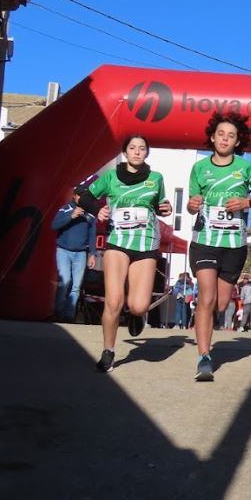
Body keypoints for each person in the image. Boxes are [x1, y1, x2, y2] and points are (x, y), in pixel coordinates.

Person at [187, 111, 251, 381]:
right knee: (207, 297)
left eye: (230, 136)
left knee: (221, 304)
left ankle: (206, 328)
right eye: (220, 134)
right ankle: (204, 357)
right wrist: (192, 204)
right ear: (212, 138)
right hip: (205, 242)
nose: (225, 139)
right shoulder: (200, 168)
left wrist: (247, 202)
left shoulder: (246, 168)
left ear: (237, 141)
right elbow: (191, 205)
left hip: (234, 245)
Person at [84, 135, 172, 372]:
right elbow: (84, 196)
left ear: (146, 153)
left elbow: (160, 206)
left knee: (139, 305)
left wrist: (166, 208)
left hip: (145, 244)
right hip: (117, 242)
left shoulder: (156, 178)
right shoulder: (110, 177)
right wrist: (97, 210)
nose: (137, 152)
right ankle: (108, 351)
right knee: (113, 300)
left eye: (142, 148)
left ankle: (136, 315)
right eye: (132, 148)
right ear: (125, 152)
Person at [51, 186, 97, 323]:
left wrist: (92, 254)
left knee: (76, 286)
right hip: (63, 251)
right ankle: (58, 312)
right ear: (74, 196)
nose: (83, 198)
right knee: (64, 282)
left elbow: (92, 235)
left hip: (81, 253)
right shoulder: (65, 209)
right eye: (80, 195)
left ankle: (69, 315)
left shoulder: (89, 214)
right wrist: (71, 216)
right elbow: (54, 226)